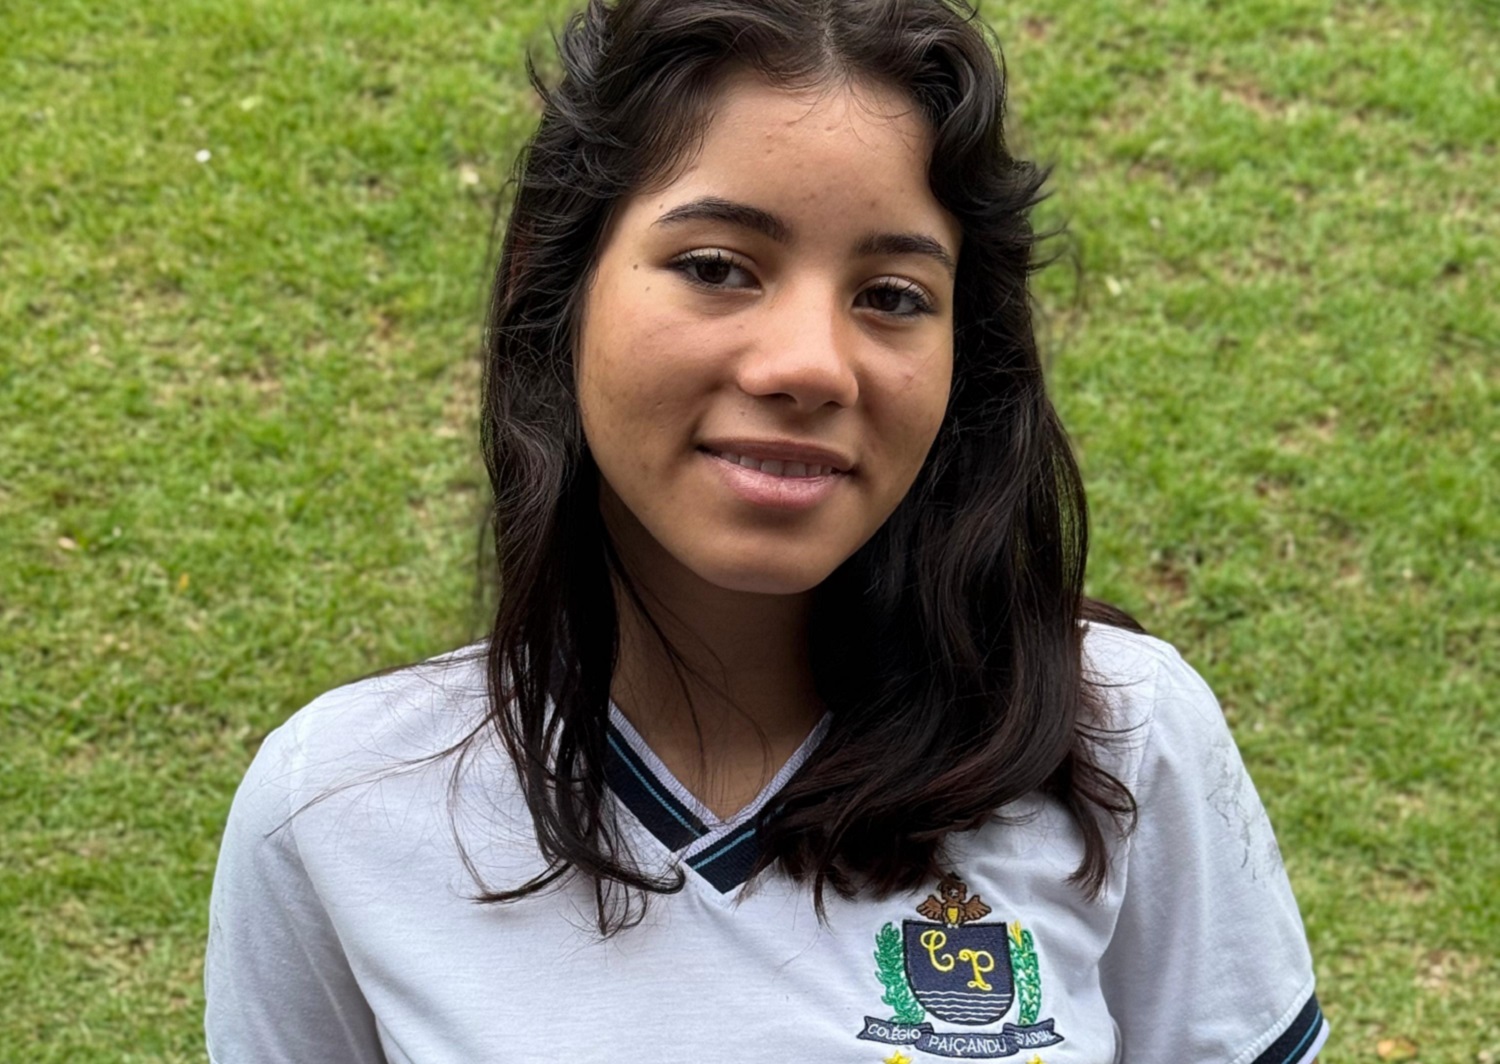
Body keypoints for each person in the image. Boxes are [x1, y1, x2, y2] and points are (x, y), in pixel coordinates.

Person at [204, 1, 1328, 1061]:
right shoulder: (333, 805)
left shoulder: (1120, 738)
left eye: (892, 293)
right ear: (562, 289)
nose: (808, 364)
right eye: (715, 267)